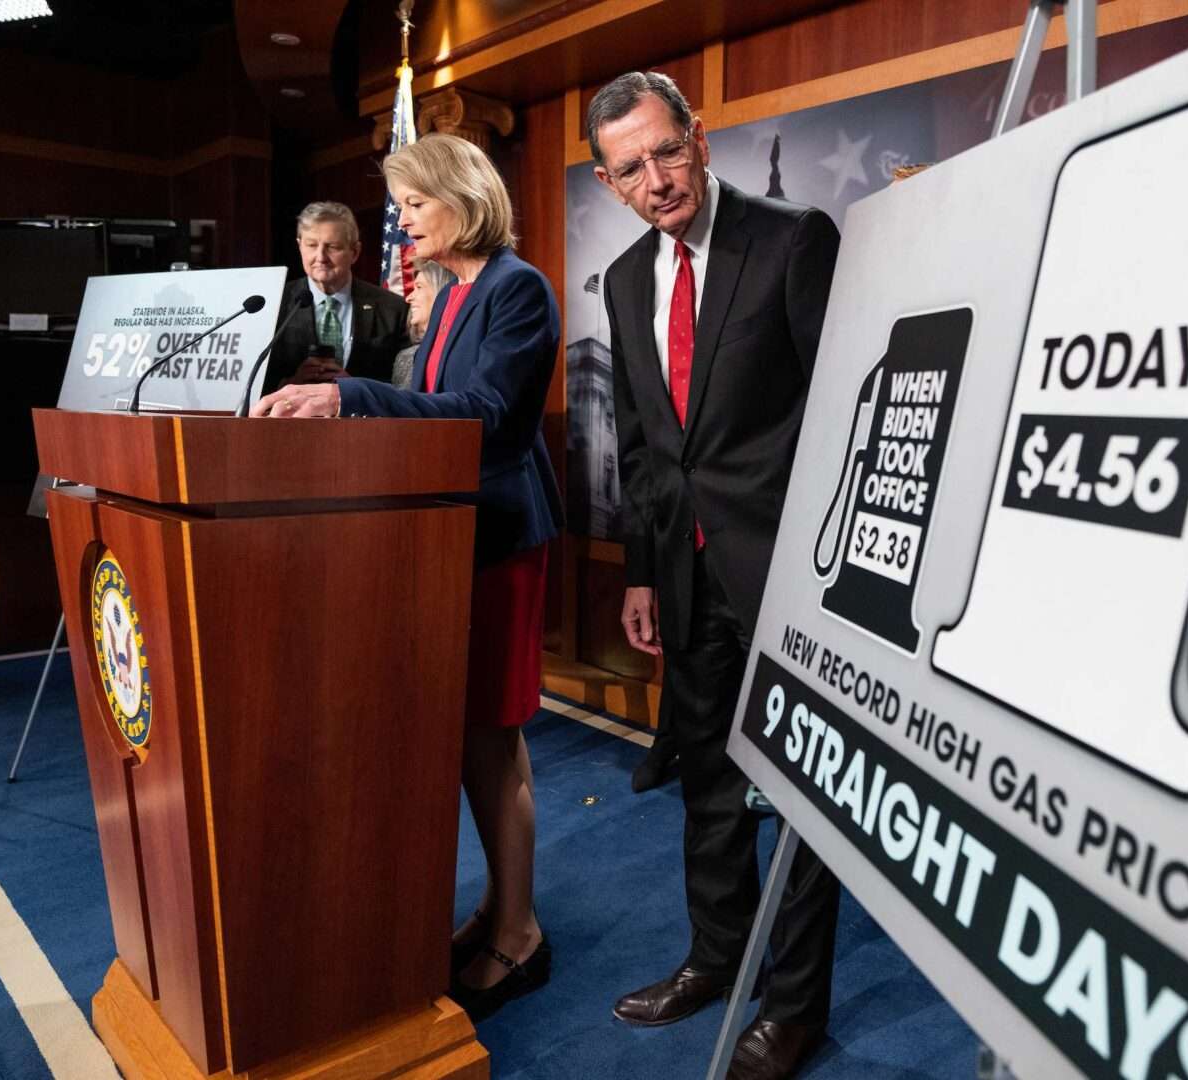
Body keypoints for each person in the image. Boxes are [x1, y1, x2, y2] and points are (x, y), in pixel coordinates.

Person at [254, 134, 561, 1022]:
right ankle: (503, 910)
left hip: (501, 536)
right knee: (476, 738)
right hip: (452, 538)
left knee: (490, 740)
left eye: (415, 205)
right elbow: (426, 412)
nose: (405, 221)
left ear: (460, 197)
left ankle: (521, 936)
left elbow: (486, 420)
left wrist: (348, 396)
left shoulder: (516, 287)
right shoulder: (455, 291)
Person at [590, 71, 842, 1080]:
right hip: (688, 581)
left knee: (797, 800)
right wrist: (643, 574)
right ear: (611, 184)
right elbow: (650, 449)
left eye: (666, 151)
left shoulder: (791, 239)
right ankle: (716, 954)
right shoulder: (620, 282)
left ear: (698, 137)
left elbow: (842, 405)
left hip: (789, 574)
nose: (657, 180)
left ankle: (794, 1007)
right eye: (630, 168)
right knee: (710, 781)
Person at [261, 200, 410, 394]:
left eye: (332, 247)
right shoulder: (274, 305)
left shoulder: (392, 309)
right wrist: (289, 383)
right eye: (311, 245)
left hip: (362, 421)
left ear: (355, 252)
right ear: (300, 247)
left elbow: (405, 386)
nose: (320, 256)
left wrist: (355, 387)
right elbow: (251, 382)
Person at [391, 257, 456, 388]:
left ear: (441, 291)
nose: (409, 298)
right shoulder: (407, 358)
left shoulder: (460, 353)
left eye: (419, 287)